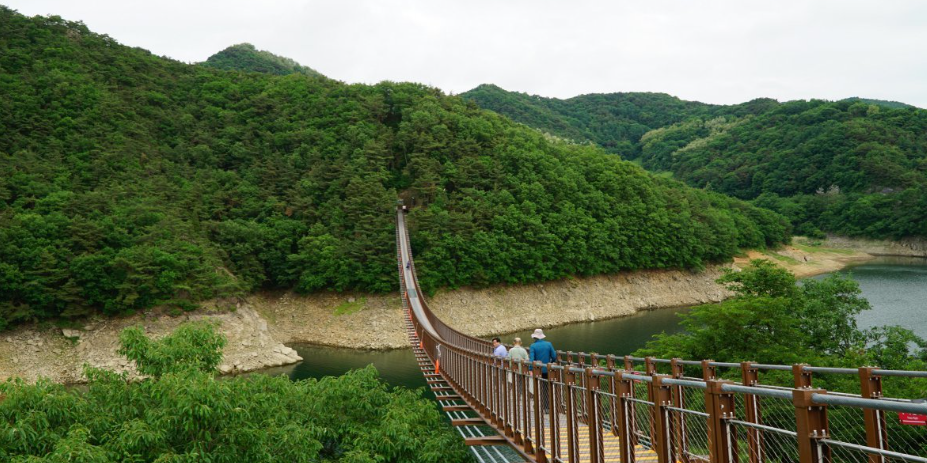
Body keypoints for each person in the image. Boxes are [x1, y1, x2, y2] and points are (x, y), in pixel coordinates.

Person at [529, 328, 556, 412]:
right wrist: (551, 362)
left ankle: (537, 405)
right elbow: (554, 356)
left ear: (534, 337)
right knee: (546, 388)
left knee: (537, 387)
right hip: (547, 369)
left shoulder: (533, 346)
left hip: (537, 370)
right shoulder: (549, 344)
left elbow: (531, 359)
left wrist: (530, 369)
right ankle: (547, 407)